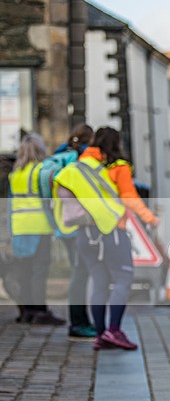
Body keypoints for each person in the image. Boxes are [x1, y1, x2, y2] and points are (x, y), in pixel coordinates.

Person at [54, 127, 159, 351]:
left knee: (99, 282)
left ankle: (101, 334)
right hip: (111, 230)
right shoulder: (117, 166)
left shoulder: (80, 167)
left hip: (84, 232)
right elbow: (128, 197)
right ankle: (114, 330)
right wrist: (149, 218)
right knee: (123, 278)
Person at [39, 124, 96, 337]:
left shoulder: (59, 155)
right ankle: (79, 323)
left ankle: (81, 321)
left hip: (62, 223)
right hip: (78, 223)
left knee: (78, 273)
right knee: (80, 275)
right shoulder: (77, 160)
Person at [7, 133, 65, 325]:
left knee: (24, 270)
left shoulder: (15, 174)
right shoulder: (40, 171)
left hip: (19, 228)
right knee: (39, 271)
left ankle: (27, 311)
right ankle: (41, 311)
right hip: (39, 226)